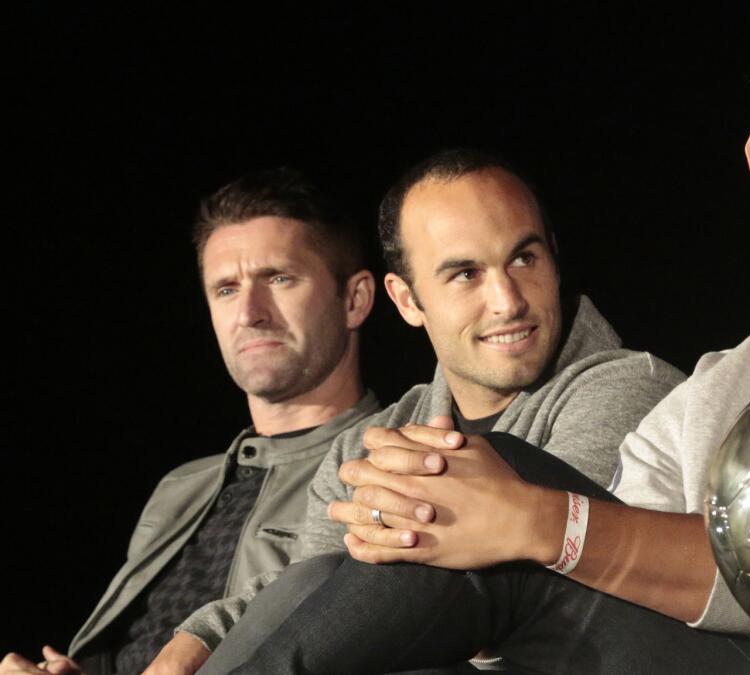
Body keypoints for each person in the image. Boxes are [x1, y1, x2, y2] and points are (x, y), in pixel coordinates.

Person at [207, 2, 750, 673]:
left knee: (513, 501)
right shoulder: (725, 380)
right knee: (396, 553)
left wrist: (534, 518)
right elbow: (610, 576)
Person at [148, 149, 686, 673]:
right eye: (465, 275)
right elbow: (308, 596)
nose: (507, 300)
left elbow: (518, 587)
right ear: (406, 300)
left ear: (554, 256)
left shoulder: (629, 387)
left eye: (524, 258)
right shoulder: (368, 443)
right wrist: (198, 638)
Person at [0, 168, 380, 675]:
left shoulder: (387, 467)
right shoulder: (181, 486)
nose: (249, 312)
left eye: (279, 278)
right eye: (225, 289)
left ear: (354, 299)